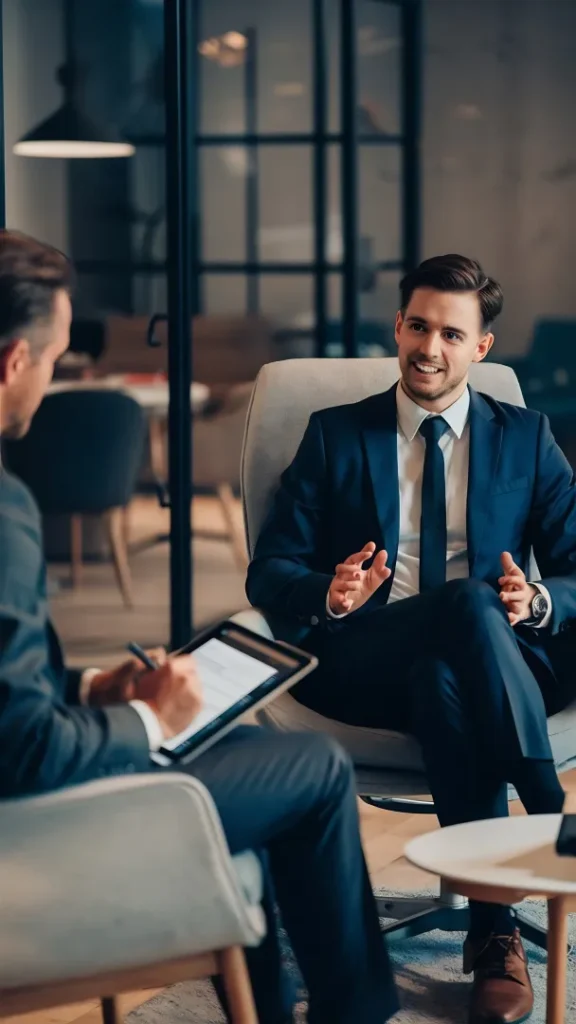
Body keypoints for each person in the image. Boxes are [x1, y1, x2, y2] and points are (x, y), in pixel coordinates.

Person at [0, 230, 398, 1024]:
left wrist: (94, 687)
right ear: (14, 361)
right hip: (35, 831)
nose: (49, 377)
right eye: (53, 359)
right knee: (314, 768)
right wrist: (151, 718)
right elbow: (26, 751)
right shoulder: (4, 511)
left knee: (244, 749)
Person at [247, 253, 576, 1024]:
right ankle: (548, 807)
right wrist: (327, 591)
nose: (430, 348)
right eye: (419, 327)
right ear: (397, 327)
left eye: (452, 335)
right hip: (364, 656)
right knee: (464, 606)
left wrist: (534, 601)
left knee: (448, 666)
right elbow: (270, 571)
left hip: (493, 661)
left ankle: (492, 927)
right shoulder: (335, 435)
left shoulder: (527, 438)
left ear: (481, 348)